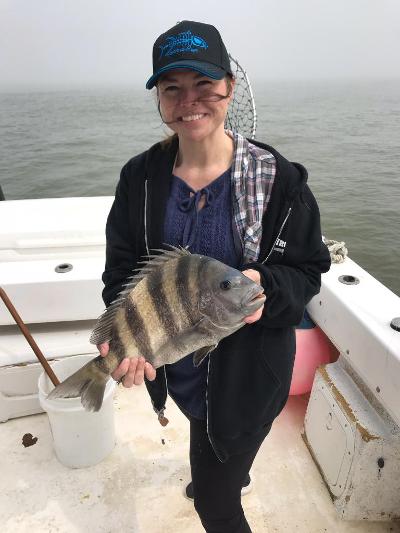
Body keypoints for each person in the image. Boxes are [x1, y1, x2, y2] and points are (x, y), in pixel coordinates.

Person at [99, 20, 331, 533]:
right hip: (176, 363)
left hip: (249, 383)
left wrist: (267, 288)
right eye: (172, 88)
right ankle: (228, 470)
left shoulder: (279, 179)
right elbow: (121, 270)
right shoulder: (138, 177)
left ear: (229, 85)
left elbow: (309, 270)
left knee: (215, 504)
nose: (190, 101)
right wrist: (126, 339)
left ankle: (223, 479)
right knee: (208, 444)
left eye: (204, 84)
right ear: (159, 99)